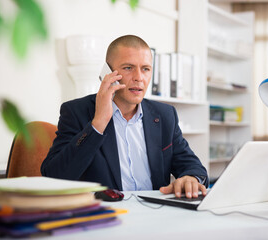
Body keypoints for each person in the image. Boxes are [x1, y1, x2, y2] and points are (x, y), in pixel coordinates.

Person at [41, 35, 208, 199]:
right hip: (106, 216)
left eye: (145, 69)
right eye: (128, 68)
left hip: (155, 215)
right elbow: (55, 177)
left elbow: (193, 167)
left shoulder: (165, 115)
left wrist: (191, 178)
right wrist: (98, 123)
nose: (139, 77)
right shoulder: (77, 111)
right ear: (108, 72)